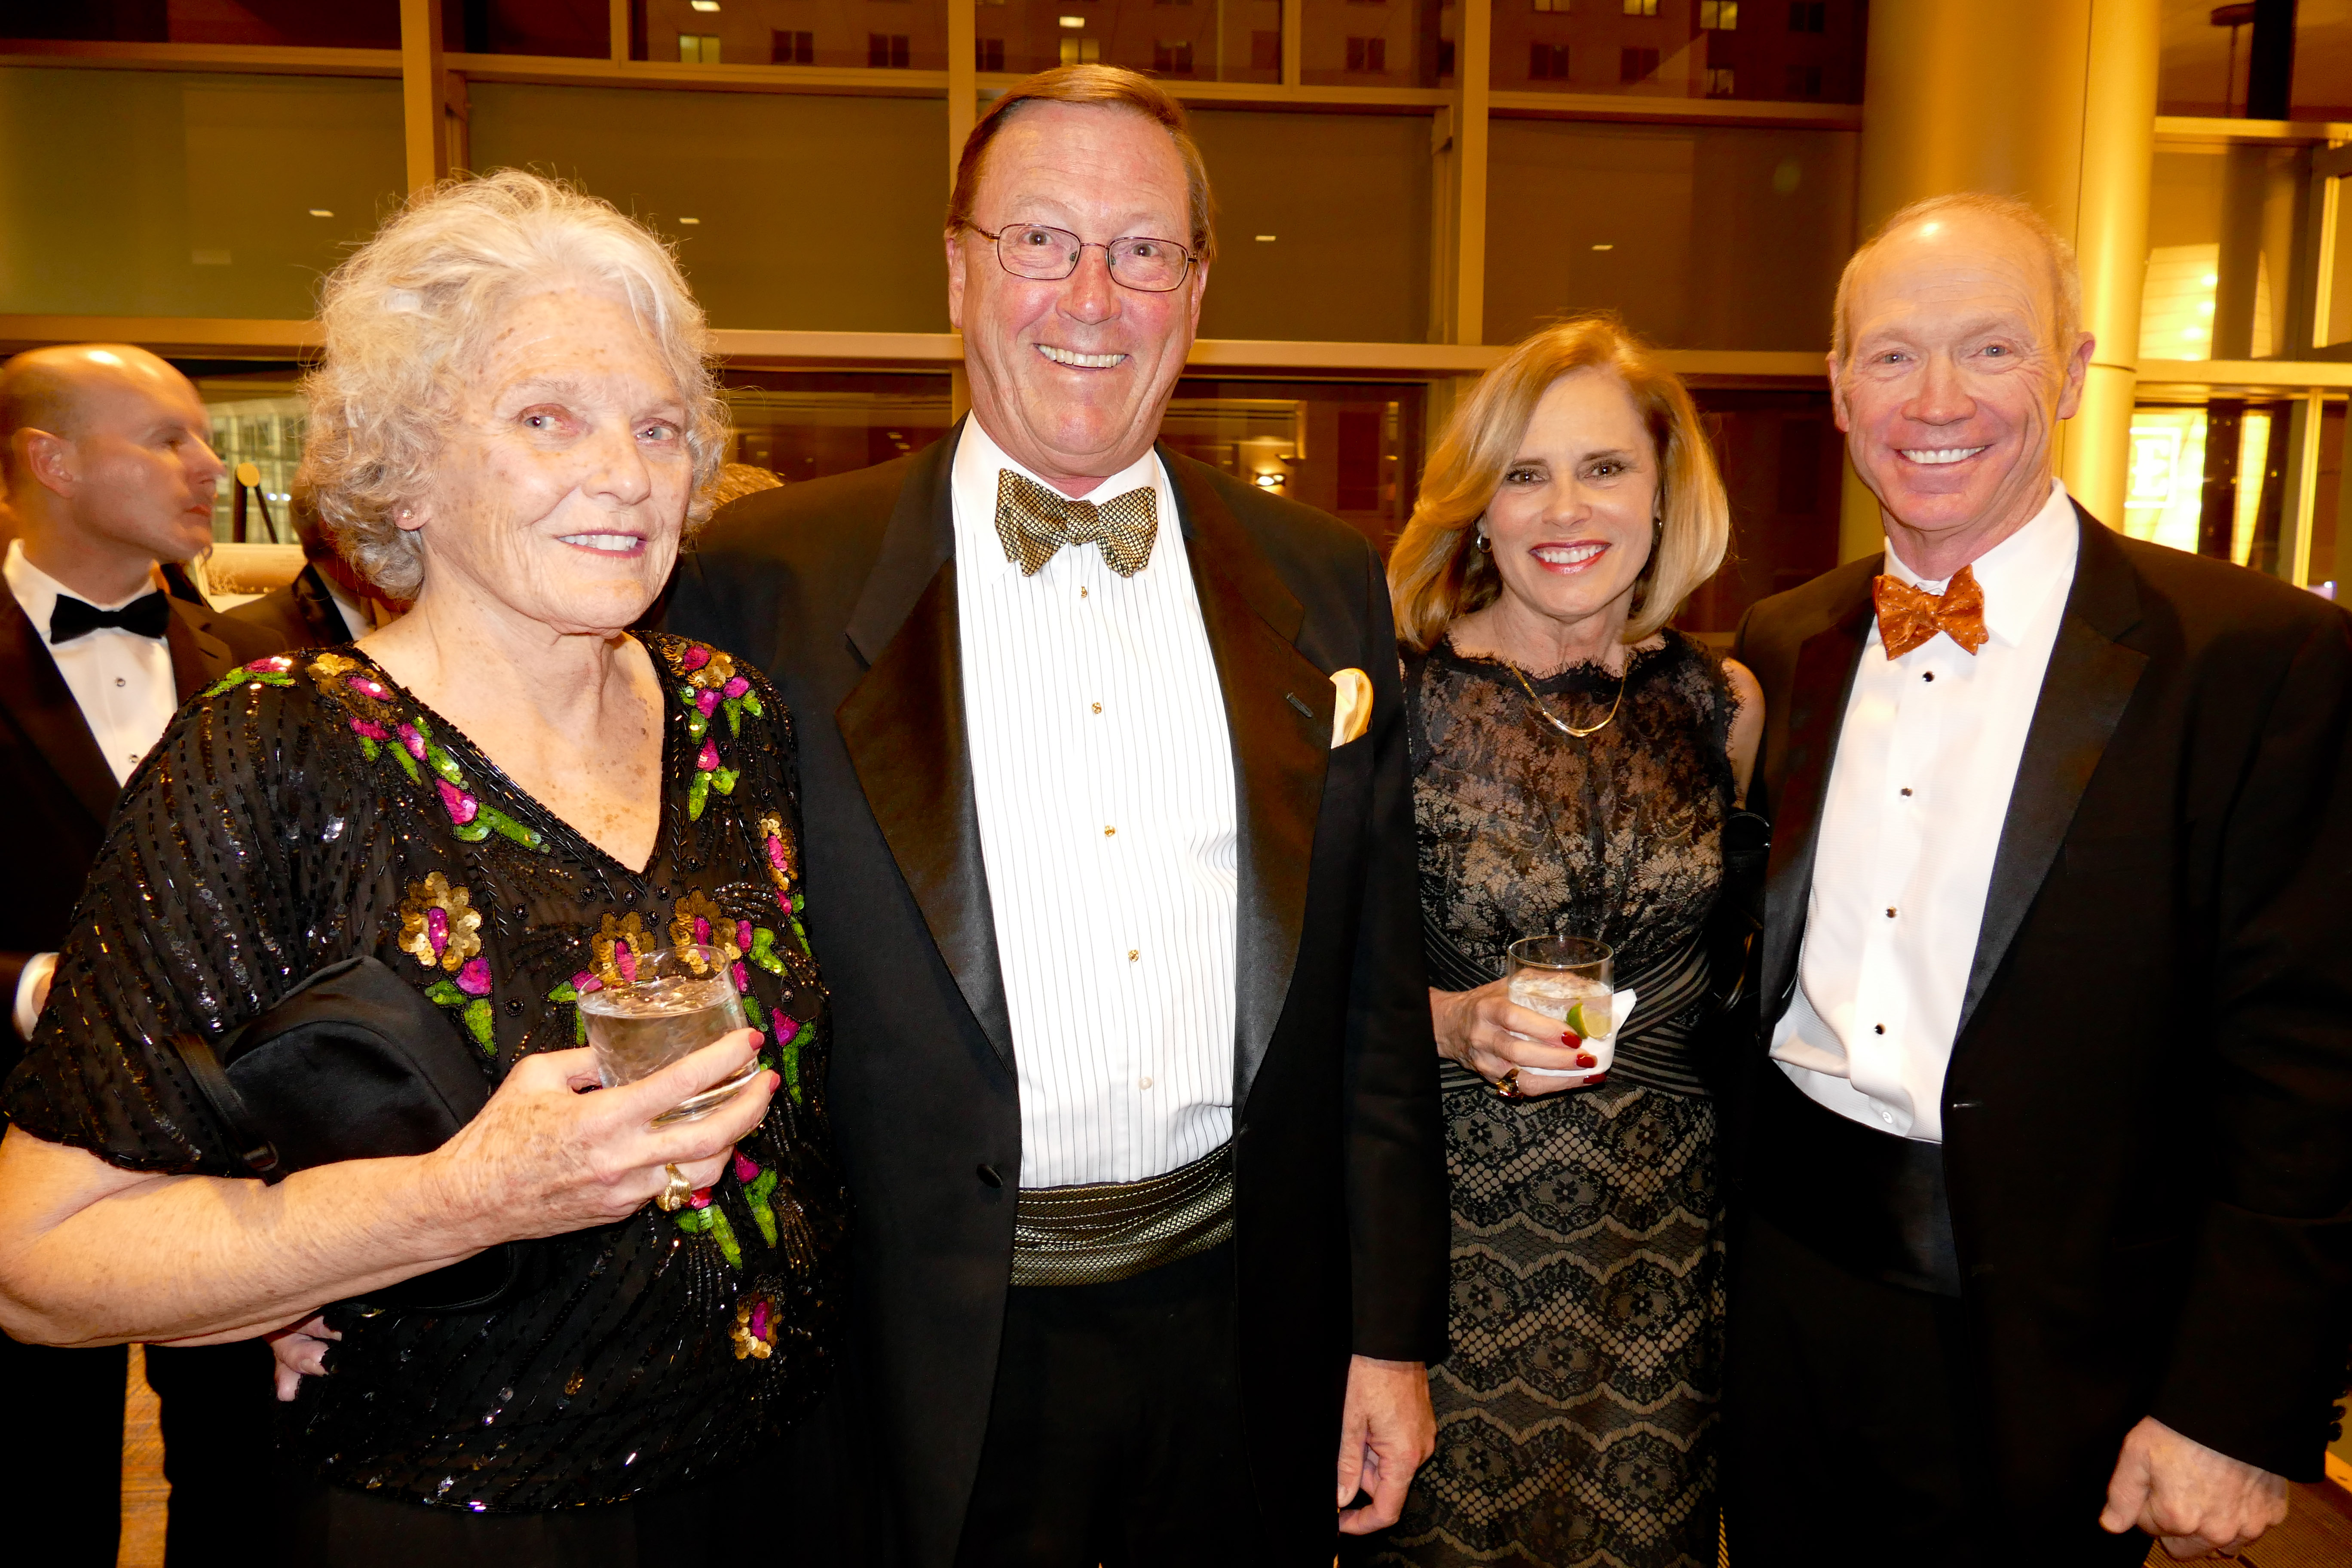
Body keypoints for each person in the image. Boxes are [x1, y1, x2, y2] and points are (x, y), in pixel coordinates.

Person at [665, 64, 1449, 1568]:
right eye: (1041, 240)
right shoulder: (762, 583)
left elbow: (1369, 1008)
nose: (1091, 294)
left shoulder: (1323, 578)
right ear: (959, 268)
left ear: (1195, 289)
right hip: (908, 1347)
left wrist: (1388, 1334)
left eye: (1142, 249)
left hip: (1242, 1326)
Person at [0, 171, 845, 1566]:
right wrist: (447, 1202)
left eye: (659, 426)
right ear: (404, 463)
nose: (627, 472)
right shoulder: (276, 752)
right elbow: (38, 1255)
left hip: (785, 1484)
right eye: (544, 418)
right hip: (450, 1520)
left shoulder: (737, 719)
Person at [1723, 192, 2352, 1563]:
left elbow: (2310, 1070)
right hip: (1783, 1304)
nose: (1936, 397)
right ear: (1837, 390)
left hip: (2064, 1351)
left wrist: (2235, 1406)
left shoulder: (2253, 661)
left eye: (1991, 349)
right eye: (1891, 356)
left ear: (2071, 371)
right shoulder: (1788, 642)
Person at [1362, 318, 1759, 1568]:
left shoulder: (1724, 705)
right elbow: (1312, 991)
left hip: (1666, 1264)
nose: (1564, 507)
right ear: (1479, 508)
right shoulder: (1397, 701)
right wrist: (1452, 1017)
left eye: (1603, 467)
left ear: (1662, 490)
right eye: (1524, 474)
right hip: (1452, 1260)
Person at [0, 342, 284, 1568]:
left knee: (241, 1489)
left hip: (224, 1159)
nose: (208, 467)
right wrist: (29, 988)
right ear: (49, 461)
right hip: (14, 1169)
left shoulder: (250, 671)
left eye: (206, 437)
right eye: (165, 439)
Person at [225, 486, 402, 649]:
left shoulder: (398, 608)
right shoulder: (245, 634)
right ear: (337, 531)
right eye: (386, 525)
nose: (410, 545)